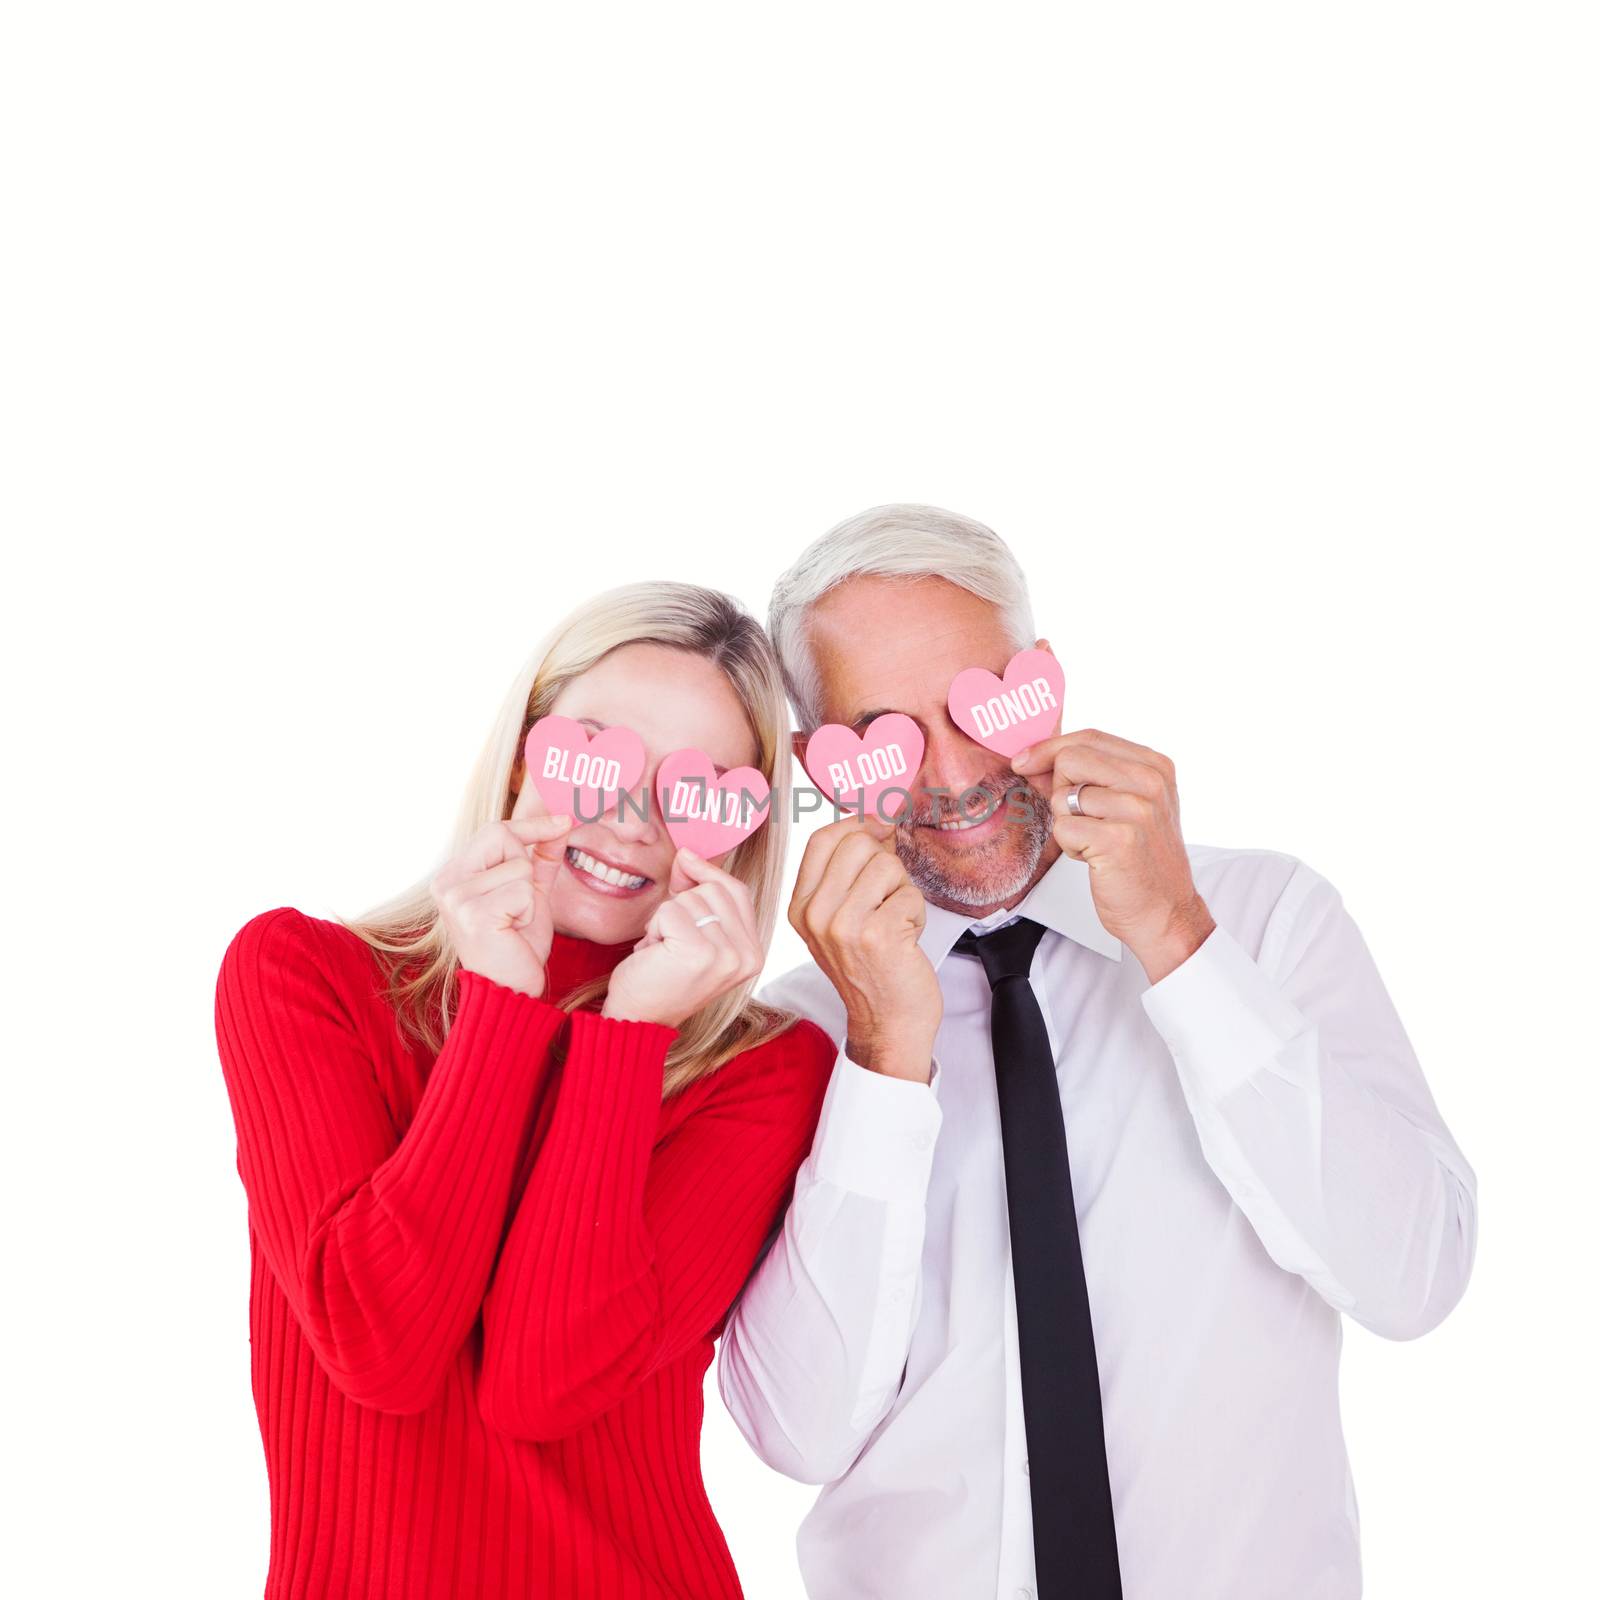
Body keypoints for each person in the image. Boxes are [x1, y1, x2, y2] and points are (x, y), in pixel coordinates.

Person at [717, 505, 1478, 1600]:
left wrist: (1179, 941)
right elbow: (796, 1432)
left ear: (1041, 680)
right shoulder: (794, 1036)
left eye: (976, 706)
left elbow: (1415, 1279)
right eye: (884, 732)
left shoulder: (1264, 920)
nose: (951, 774)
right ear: (818, 765)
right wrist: (883, 1051)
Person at [214, 583, 835, 1600]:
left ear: (740, 828)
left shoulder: (761, 1072)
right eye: (600, 756)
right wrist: (500, 1005)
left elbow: (539, 1385)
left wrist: (627, 1035)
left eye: (694, 787)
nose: (632, 817)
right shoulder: (302, 978)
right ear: (522, 753)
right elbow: (382, 1349)